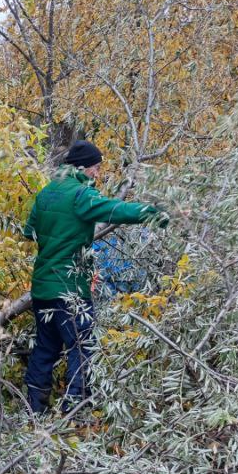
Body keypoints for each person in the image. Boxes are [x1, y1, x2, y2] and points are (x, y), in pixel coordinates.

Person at [23, 140, 167, 417]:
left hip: (42, 287)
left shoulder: (45, 194)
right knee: (82, 345)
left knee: (45, 347)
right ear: (83, 168)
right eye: (97, 168)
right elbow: (116, 210)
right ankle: (74, 410)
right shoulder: (81, 195)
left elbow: (29, 233)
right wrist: (154, 215)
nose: (98, 174)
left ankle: (34, 410)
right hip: (70, 290)